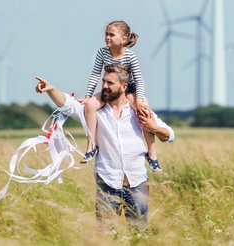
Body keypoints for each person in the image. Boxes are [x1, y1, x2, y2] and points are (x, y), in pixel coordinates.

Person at [35, 63, 175, 226]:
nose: (104, 86)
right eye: (103, 82)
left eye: (110, 83)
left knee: (139, 234)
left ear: (124, 86)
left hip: (137, 183)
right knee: (105, 235)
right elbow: (68, 105)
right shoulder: (93, 112)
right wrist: (51, 89)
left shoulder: (138, 110)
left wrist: (154, 128)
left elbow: (169, 135)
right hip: (107, 182)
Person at [79, 20, 162, 172]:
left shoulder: (130, 56)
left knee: (144, 110)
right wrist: (88, 96)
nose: (107, 37)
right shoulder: (102, 52)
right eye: (106, 34)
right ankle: (91, 145)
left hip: (129, 89)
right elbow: (95, 75)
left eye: (111, 35)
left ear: (123, 39)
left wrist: (139, 100)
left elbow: (139, 80)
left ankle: (152, 153)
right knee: (90, 105)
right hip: (110, 89)